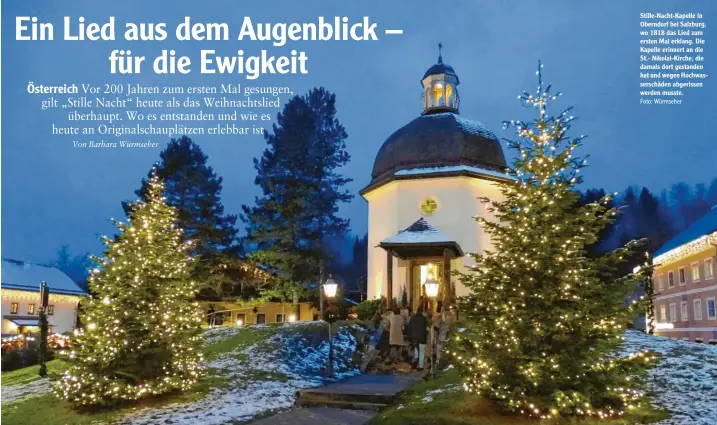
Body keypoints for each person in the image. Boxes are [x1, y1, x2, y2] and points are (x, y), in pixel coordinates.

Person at [408, 306, 428, 370]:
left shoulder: (412, 318)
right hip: (422, 338)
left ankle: (415, 363)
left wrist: (410, 336)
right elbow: (426, 329)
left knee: (416, 350)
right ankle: (420, 366)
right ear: (422, 312)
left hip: (414, 337)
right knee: (421, 351)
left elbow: (409, 328)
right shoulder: (424, 319)